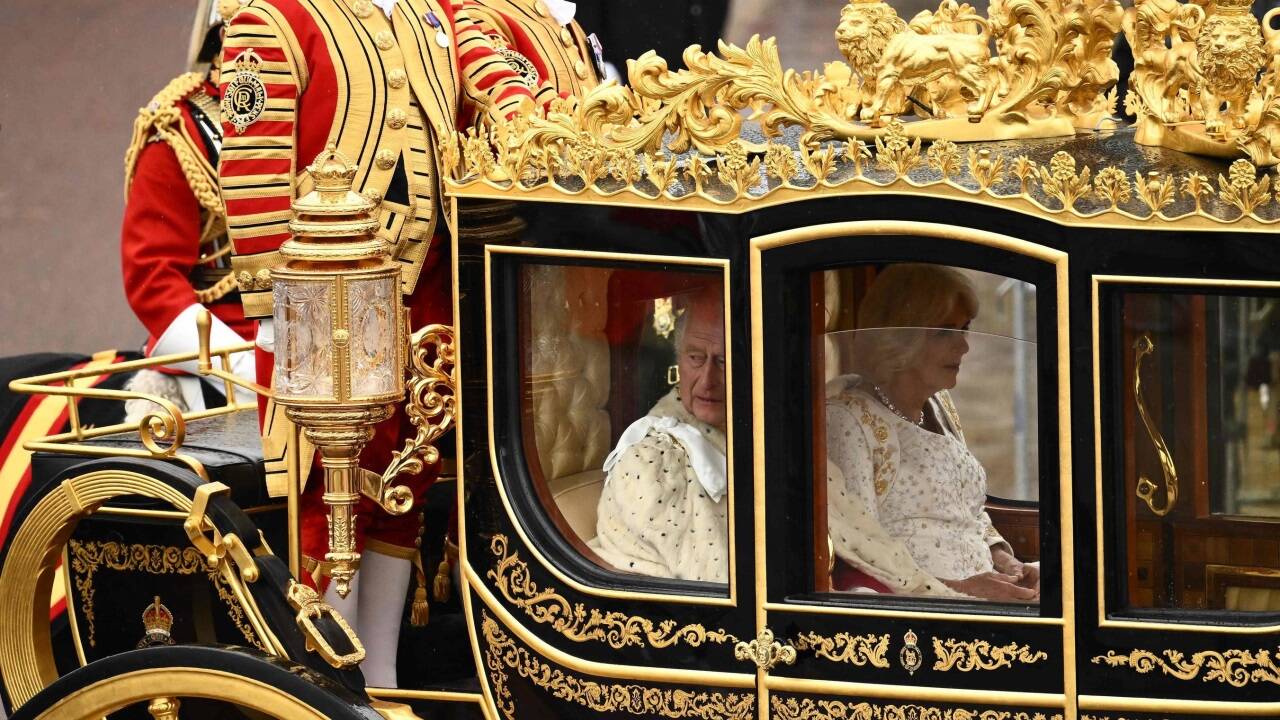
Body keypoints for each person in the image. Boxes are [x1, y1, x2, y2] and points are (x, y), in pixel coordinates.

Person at [218, 0, 595, 687]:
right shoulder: (275, 19)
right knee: (325, 490)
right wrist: (274, 312)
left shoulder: (434, 13)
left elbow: (488, 88)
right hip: (326, 294)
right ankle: (329, 682)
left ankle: (382, 675)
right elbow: (254, 166)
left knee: (405, 481)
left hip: (426, 285)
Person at [826, 264, 1039, 602]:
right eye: (944, 332)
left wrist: (1005, 561)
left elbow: (965, 509)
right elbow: (861, 554)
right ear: (898, 339)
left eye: (965, 329)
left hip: (985, 598)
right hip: (922, 614)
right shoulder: (848, 421)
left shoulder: (939, 404)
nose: (964, 347)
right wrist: (962, 590)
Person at [120, 0, 255, 422]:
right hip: (222, 353)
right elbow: (152, 277)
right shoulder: (181, 129)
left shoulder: (330, 120)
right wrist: (239, 367)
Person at [591, 285, 729, 583]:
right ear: (679, 359)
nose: (707, 380)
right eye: (696, 358)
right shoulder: (652, 461)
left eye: (723, 361)